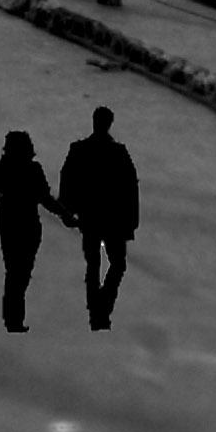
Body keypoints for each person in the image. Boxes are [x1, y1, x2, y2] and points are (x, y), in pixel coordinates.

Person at [59, 105, 141, 330]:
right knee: (117, 264)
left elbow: (67, 180)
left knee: (93, 264)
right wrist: (132, 220)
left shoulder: (79, 149)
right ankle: (101, 308)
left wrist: (66, 209)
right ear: (109, 124)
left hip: (90, 216)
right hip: (113, 218)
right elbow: (130, 188)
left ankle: (97, 309)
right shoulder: (118, 152)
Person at [0, 129, 67, 332]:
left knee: (14, 273)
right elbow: (46, 199)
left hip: (10, 226)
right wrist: (65, 214)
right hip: (28, 227)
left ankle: (12, 319)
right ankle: (14, 320)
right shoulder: (33, 170)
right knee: (21, 274)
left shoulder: (2, 169)